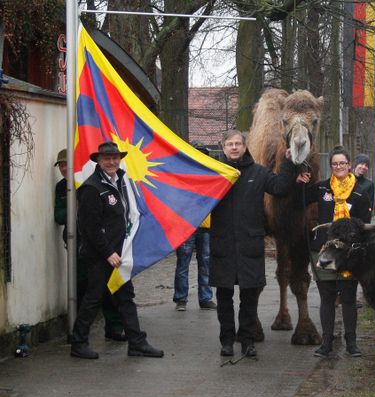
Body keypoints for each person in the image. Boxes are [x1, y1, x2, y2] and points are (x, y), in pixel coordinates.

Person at [70, 141, 163, 359]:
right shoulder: (92, 188)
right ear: (98, 161)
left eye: (115, 158)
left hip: (119, 253)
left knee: (125, 297)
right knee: (93, 297)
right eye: (107, 158)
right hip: (100, 256)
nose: (111, 162)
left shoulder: (121, 181)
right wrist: (107, 252)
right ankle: (78, 343)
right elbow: (89, 228)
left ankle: (136, 343)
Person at [209, 130, 296, 358]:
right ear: (223, 147)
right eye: (230, 144)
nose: (234, 147)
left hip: (249, 246)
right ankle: (227, 340)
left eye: (238, 143)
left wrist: (288, 162)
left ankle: (247, 339)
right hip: (224, 246)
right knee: (224, 297)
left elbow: (280, 187)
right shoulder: (214, 174)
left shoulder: (258, 173)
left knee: (249, 296)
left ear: (245, 146)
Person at [297, 146, 372, 358]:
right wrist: (298, 182)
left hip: (348, 255)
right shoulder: (321, 189)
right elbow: (298, 199)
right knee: (327, 297)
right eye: (335, 164)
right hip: (324, 251)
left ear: (349, 165)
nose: (339, 167)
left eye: (342, 163)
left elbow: (363, 226)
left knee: (348, 298)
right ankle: (326, 343)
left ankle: (351, 343)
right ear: (331, 166)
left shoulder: (360, 193)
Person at [54, 148, 125, 342]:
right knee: (82, 286)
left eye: (66, 164)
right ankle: (78, 331)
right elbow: (58, 216)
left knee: (110, 287)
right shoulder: (62, 187)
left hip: (101, 243)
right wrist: (73, 208)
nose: (64, 168)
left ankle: (114, 326)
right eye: (60, 165)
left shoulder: (89, 184)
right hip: (76, 242)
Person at [173, 142, 216, 311]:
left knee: (205, 263)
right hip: (186, 226)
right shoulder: (182, 177)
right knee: (184, 263)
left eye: (203, 154)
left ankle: (204, 298)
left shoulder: (213, 176)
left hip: (205, 226)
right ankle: (181, 299)